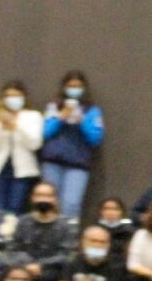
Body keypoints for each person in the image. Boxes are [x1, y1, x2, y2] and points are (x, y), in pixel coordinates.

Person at [39, 70, 105, 216]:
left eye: (78, 86)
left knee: (71, 204)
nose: (74, 89)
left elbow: (95, 139)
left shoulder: (92, 111)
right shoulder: (53, 106)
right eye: (70, 86)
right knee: (49, 202)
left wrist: (82, 122)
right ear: (64, 87)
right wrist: (60, 118)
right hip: (52, 162)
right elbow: (45, 132)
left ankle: (68, 236)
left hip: (78, 164)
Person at [0, 80, 44, 214]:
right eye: (9, 96)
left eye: (17, 96)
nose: (13, 100)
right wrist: (0, 127)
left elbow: (35, 144)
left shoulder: (33, 116)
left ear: (23, 97)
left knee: (15, 208)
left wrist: (17, 127)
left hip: (22, 171)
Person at [7, 181, 74, 281]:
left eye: (47, 196)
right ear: (32, 198)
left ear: (55, 199)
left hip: (51, 276)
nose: (43, 200)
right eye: (39, 195)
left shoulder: (65, 225)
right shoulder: (23, 221)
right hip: (23, 271)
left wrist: (40, 265)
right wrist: (28, 264)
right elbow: (13, 249)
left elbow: (66, 255)